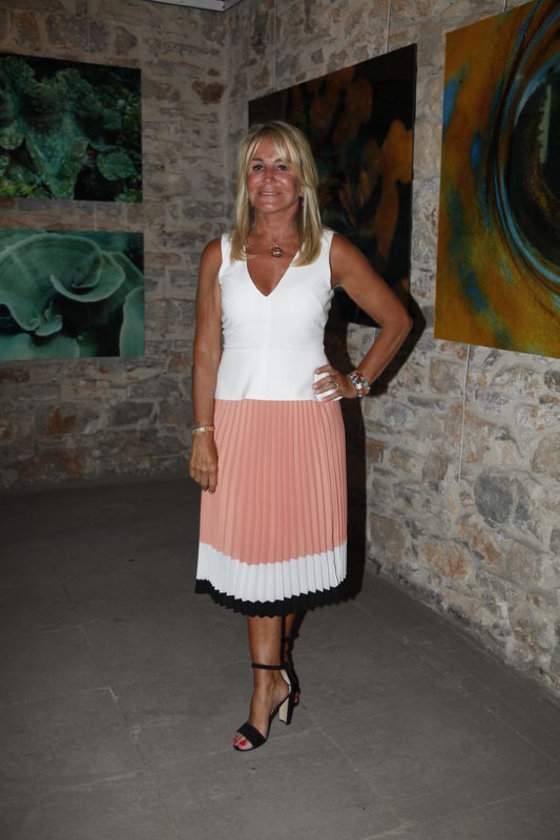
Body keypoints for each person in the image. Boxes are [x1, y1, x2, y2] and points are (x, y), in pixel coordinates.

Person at [189, 121, 412, 752]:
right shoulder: (220, 254)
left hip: (306, 424)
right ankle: (270, 681)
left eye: (282, 165)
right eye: (257, 165)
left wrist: (357, 382)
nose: (269, 178)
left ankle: (269, 683)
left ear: (303, 180)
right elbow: (206, 350)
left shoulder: (330, 252)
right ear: (244, 179)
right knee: (255, 557)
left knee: (285, 556)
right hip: (236, 421)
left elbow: (397, 320)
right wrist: (202, 430)